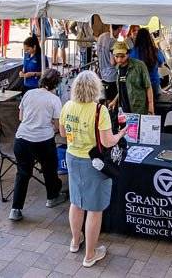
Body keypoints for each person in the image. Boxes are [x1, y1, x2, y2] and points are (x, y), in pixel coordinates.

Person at [60, 70, 128, 268]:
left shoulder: (67, 106)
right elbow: (107, 142)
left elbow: (63, 132)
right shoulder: (100, 110)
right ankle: (90, 255)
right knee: (94, 209)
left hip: (72, 157)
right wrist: (121, 134)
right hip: (94, 162)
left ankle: (75, 241)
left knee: (76, 202)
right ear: (95, 88)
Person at [9, 69, 67, 221]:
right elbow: (57, 126)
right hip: (43, 140)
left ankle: (15, 209)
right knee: (49, 168)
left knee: (22, 173)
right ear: (56, 84)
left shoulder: (29, 93)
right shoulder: (54, 100)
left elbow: (21, 117)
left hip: (22, 139)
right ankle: (52, 197)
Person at [110, 41, 153, 115]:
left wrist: (151, 106)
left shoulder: (139, 65)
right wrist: (114, 101)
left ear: (128, 54)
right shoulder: (118, 68)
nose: (119, 60)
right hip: (124, 108)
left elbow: (148, 86)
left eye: (122, 56)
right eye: (116, 56)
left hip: (138, 108)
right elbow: (122, 87)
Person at [129, 28, 165, 102]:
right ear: (149, 38)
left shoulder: (133, 52)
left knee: (142, 108)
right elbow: (161, 64)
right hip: (154, 83)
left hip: (139, 84)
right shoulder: (155, 51)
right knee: (156, 107)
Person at [96, 25, 121, 101]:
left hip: (102, 72)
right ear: (119, 28)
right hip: (111, 75)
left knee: (104, 98)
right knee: (112, 100)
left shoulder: (101, 36)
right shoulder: (113, 41)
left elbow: (98, 53)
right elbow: (113, 62)